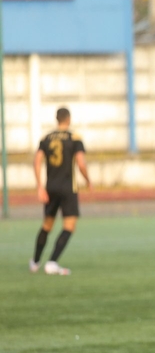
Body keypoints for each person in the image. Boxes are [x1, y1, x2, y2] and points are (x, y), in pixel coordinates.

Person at [30, 107, 91, 276]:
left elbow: (37, 161)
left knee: (47, 225)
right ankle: (52, 262)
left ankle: (35, 262)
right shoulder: (74, 138)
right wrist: (88, 180)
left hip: (50, 188)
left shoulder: (46, 138)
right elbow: (81, 163)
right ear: (69, 119)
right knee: (69, 226)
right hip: (67, 188)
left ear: (57, 119)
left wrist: (39, 186)